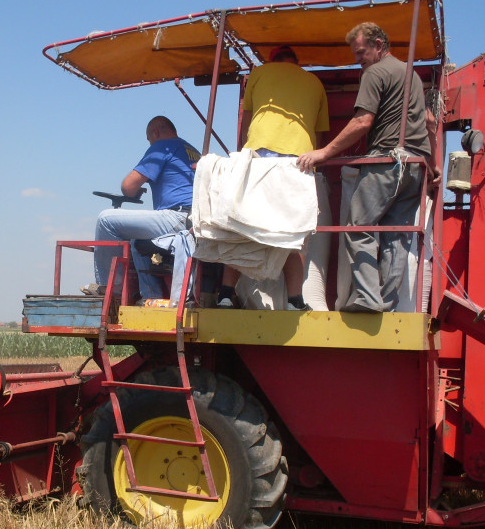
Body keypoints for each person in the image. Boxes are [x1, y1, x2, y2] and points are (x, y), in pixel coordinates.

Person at [297, 23, 441, 313]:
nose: (358, 59)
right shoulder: (410, 73)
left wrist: (323, 152)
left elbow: (363, 122)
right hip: (415, 166)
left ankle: (367, 297)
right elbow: (427, 124)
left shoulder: (374, 72)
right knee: (396, 235)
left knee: (357, 227)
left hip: (387, 162)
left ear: (378, 45)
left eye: (361, 52)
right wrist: (434, 163)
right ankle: (386, 300)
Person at [217, 45, 329, 311]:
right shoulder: (314, 82)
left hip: (259, 157)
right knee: (292, 234)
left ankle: (224, 295)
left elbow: (246, 119)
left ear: (273, 60)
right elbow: (320, 135)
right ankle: (294, 301)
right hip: (298, 162)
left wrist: (249, 147)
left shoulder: (259, 73)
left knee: (242, 230)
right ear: (296, 62)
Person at [87, 116, 201, 300]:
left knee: (105, 219)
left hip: (178, 217)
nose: (150, 143)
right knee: (136, 241)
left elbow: (127, 187)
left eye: (149, 139)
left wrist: (133, 192)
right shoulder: (192, 150)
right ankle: (150, 297)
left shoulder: (162, 146)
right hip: (196, 219)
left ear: (155, 132)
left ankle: (110, 287)